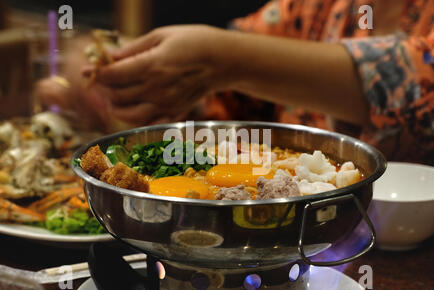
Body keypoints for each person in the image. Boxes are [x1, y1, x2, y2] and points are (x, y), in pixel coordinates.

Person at [37, 0, 433, 164]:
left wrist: (218, 60)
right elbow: (235, 91)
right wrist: (134, 79)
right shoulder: (319, 6)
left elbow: (417, 76)